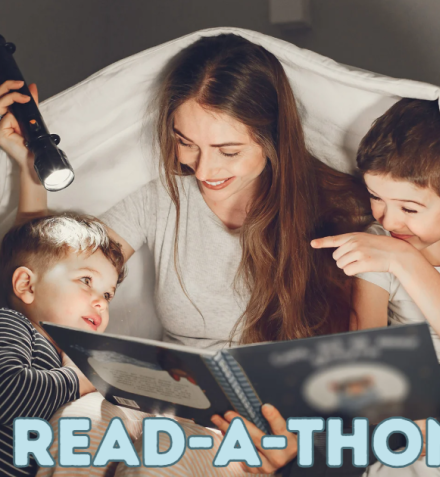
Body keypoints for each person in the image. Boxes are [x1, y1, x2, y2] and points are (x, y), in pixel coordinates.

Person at [0, 33, 371, 476]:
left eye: (228, 151)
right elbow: (50, 268)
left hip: (252, 424)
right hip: (160, 397)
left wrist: (304, 439)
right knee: (75, 428)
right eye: (185, 141)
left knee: (165, 462)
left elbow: (363, 373)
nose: (204, 169)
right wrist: (28, 170)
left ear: (273, 139)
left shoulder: (339, 212)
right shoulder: (165, 199)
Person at [313, 98, 440, 476]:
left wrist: (403, 261)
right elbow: (366, 341)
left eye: (410, 208)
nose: (389, 220)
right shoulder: (380, 240)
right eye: (376, 198)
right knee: (333, 433)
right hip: (407, 370)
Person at [0, 213, 126, 477]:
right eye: (86, 280)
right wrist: (77, 380)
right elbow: (6, 392)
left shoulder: (67, 357)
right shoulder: (11, 323)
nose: (101, 302)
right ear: (27, 285)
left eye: (107, 295)